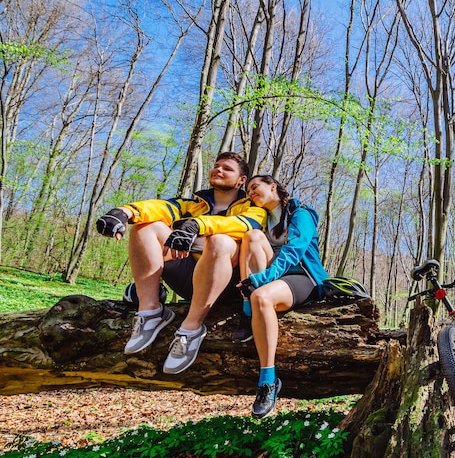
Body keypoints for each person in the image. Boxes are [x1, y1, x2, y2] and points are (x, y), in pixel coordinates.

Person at [96, 152, 266, 374]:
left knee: (220, 242)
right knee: (146, 227)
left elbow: (244, 224)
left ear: (241, 180)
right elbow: (159, 207)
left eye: (227, 168)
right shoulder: (192, 204)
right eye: (216, 166)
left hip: (226, 285)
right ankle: (150, 312)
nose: (218, 170)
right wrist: (123, 213)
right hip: (187, 277)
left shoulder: (252, 208)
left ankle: (191, 328)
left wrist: (195, 227)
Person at [234, 175, 329, 418]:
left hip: (301, 276)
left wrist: (261, 280)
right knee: (251, 236)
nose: (251, 192)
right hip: (270, 277)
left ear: (273, 186)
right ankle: (248, 313)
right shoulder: (259, 219)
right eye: (248, 190)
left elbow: (294, 251)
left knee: (262, 297)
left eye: (255, 187)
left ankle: (268, 381)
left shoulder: (300, 213)